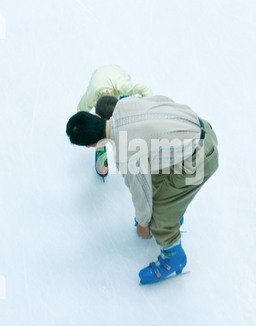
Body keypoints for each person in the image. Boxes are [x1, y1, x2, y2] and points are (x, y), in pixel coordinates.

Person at [66, 95, 219, 284]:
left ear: (90, 145)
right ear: (97, 117)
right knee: (153, 172)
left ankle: (173, 257)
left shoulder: (125, 156)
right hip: (202, 126)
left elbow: (142, 194)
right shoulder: (124, 104)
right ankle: (172, 211)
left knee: (159, 217)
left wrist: (144, 224)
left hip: (201, 160)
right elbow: (164, 100)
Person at [77, 65, 152, 179]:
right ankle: (100, 147)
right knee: (100, 132)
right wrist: (91, 126)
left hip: (119, 74)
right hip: (99, 74)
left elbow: (146, 90)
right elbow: (80, 110)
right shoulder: (91, 96)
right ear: (95, 104)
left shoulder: (123, 86)